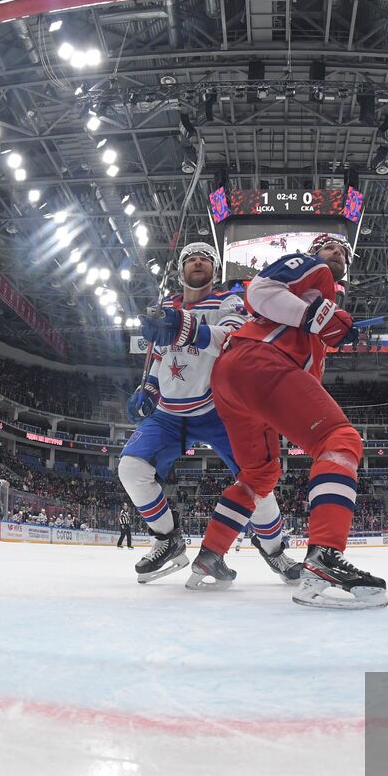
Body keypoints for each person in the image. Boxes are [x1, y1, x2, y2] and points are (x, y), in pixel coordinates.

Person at [191, 234, 387, 609]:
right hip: (259, 363)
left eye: (344, 252)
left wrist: (325, 322)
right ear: (315, 252)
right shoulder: (315, 272)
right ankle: (324, 559)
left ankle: (210, 556)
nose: (338, 254)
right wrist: (318, 317)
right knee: (339, 439)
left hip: (234, 381)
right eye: (331, 247)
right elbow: (261, 289)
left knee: (258, 475)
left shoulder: (317, 307)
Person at [121, 240, 301, 588]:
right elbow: (160, 357)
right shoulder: (165, 307)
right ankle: (167, 540)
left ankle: (275, 551)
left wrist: (183, 326)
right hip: (169, 414)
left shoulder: (228, 301)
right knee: (130, 467)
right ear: (181, 269)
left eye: (206, 258)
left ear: (215, 270)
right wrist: (148, 390)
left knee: (258, 484)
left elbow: (235, 338)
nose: (199, 262)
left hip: (220, 409)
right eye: (192, 258)